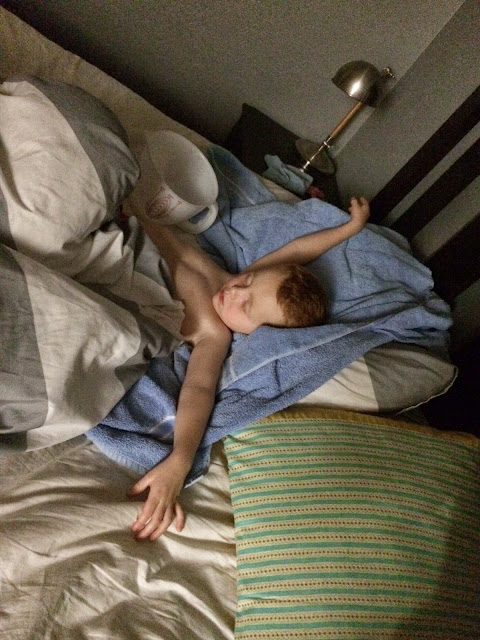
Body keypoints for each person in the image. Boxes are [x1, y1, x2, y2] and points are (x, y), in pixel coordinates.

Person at [129, 196, 370, 540]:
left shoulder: (214, 334)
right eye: (249, 281)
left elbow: (199, 390)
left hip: (125, 257)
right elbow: (297, 252)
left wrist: (180, 460)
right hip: (132, 218)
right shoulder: (238, 279)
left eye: (246, 307)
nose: (235, 292)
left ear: (257, 334)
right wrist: (350, 228)